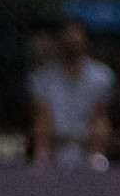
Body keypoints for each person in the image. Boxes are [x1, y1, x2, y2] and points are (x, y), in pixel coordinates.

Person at [28, 20, 113, 165]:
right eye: (68, 40)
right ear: (60, 42)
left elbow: (100, 116)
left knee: (100, 125)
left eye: (76, 41)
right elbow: (42, 118)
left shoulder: (102, 76)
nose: (72, 45)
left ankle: (97, 164)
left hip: (88, 149)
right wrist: (42, 157)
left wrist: (95, 154)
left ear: (84, 42)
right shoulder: (42, 78)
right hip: (55, 149)